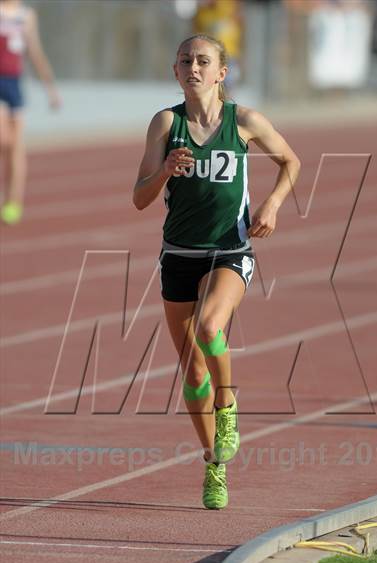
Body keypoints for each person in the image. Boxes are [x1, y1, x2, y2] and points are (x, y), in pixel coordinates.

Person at [133, 34, 300, 509]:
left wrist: (271, 204)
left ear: (221, 73)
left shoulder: (243, 121)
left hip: (230, 250)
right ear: (176, 70)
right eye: (185, 60)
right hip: (177, 256)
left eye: (203, 61)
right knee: (191, 370)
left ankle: (227, 409)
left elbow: (291, 160)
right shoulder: (166, 123)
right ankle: (214, 464)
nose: (194, 67)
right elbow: (139, 197)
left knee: (211, 327)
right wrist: (165, 169)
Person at [0, 0, 60, 225]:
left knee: (15, 146)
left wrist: (51, 90)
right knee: (3, 139)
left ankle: (13, 200)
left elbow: (35, 51)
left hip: (13, 84)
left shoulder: (26, 15)